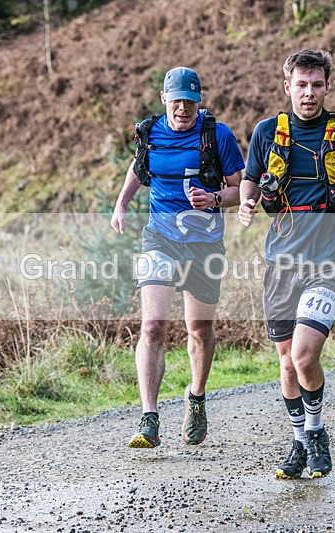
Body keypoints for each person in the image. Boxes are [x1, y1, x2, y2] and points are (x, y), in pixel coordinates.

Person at [239, 49, 335, 479]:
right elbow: (249, 177)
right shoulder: (267, 132)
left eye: (317, 84)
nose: (309, 93)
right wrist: (246, 201)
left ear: (327, 86)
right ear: (288, 87)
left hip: (327, 260)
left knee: (303, 356)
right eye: (301, 85)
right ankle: (299, 443)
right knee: (285, 361)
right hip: (281, 261)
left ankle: (317, 434)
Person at [110, 67, 244, 448]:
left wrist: (215, 199)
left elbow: (241, 188)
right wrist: (121, 205)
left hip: (204, 243)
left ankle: (196, 397)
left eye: (190, 100)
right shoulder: (150, 133)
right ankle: (148, 417)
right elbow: (139, 169)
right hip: (160, 238)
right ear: (164, 99)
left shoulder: (216, 136)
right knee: (152, 325)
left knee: (199, 330)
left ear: (198, 100)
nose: (183, 108)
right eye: (177, 100)